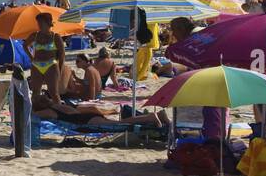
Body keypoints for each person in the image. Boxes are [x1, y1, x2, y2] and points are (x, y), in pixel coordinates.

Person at [32, 93, 167, 128]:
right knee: (120, 123)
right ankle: (159, 115)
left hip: (86, 120)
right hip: (88, 115)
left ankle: (150, 117)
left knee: (121, 124)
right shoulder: (57, 104)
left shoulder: (49, 111)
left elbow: (33, 115)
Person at [25, 12, 64, 97]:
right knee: (35, 93)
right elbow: (25, 45)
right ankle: (36, 110)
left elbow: (62, 55)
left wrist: (60, 70)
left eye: (41, 22)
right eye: (38, 22)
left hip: (51, 65)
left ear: (48, 22)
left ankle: (58, 110)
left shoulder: (56, 37)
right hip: (36, 65)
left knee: (54, 93)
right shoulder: (35, 35)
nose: (39, 24)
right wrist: (31, 58)